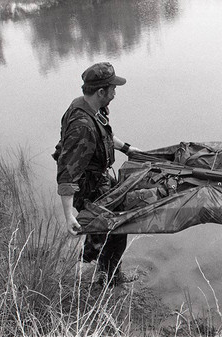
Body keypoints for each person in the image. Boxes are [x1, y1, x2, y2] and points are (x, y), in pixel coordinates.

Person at [53, 62, 140, 286]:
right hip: (88, 186)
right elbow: (67, 173)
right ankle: (109, 278)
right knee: (117, 227)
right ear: (101, 92)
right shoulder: (81, 126)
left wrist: (127, 149)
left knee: (110, 225)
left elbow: (104, 135)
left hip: (97, 178)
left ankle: (96, 267)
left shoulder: (86, 106)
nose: (115, 93)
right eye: (113, 89)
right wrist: (68, 215)